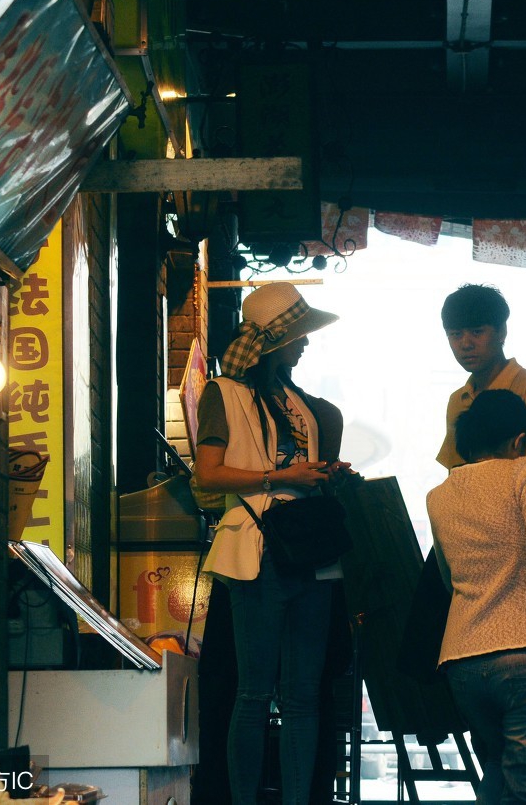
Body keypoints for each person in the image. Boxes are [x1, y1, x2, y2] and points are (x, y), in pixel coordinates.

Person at [193, 281, 350, 805]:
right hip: (256, 550)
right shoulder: (224, 392)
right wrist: (281, 477)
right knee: (255, 693)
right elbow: (207, 474)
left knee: (302, 696)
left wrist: (324, 473)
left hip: (307, 551)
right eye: (297, 334)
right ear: (274, 339)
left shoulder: (302, 403)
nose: (304, 343)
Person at [427, 389, 526, 804]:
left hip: (464, 661)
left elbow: (448, 576)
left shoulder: (439, 495)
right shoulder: (524, 471)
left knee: (497, 774)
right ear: (519, 440)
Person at [436, 284, 526, 475]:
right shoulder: (457, 400)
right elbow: (456, 475)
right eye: (456, 334)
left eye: (477, 332)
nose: (466, 344)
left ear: (501, 332)